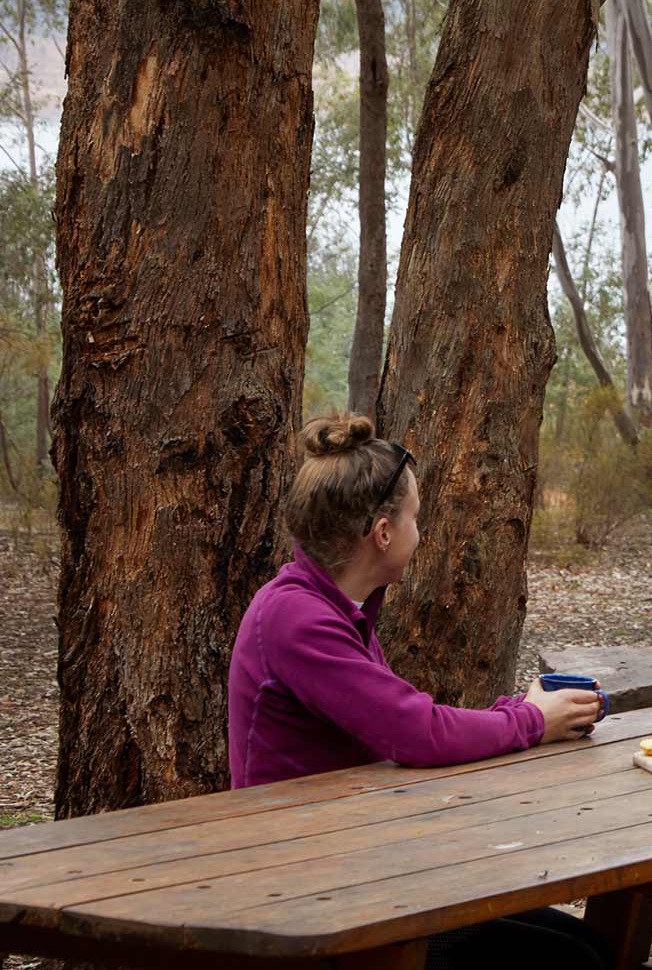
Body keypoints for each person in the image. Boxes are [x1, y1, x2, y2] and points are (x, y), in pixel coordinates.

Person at [227, 412, 612, 969]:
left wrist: (522, 711)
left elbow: (399, 719)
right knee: (569, 960)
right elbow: (416, 733)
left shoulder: (334, 608)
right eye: (414, 518)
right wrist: (531, 721)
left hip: (356, 868)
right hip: (306, 897)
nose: (419, 532)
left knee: (584, 946)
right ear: (382, 533)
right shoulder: (295, 618)